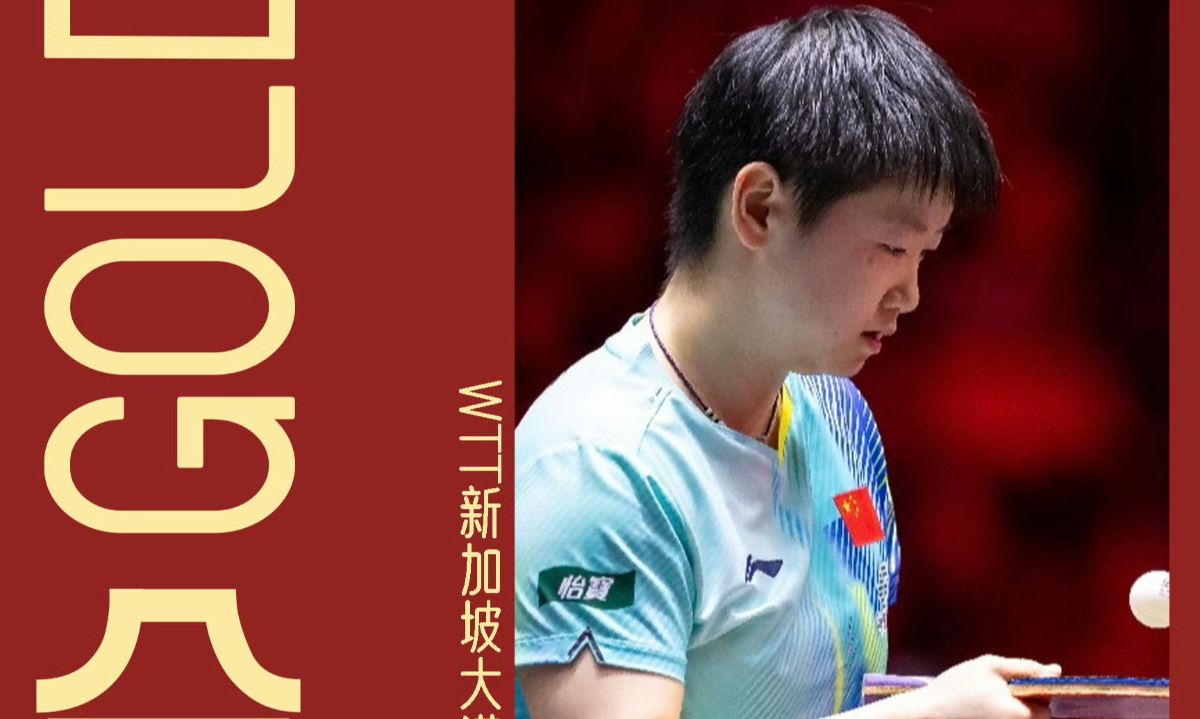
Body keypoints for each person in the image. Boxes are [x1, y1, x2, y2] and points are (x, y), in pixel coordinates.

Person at [515, 7, 1059, 719]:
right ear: (761, 209)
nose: (910, 294)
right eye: (892, 249)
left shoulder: (837, 416)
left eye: (924, 255)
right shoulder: (602, 467)